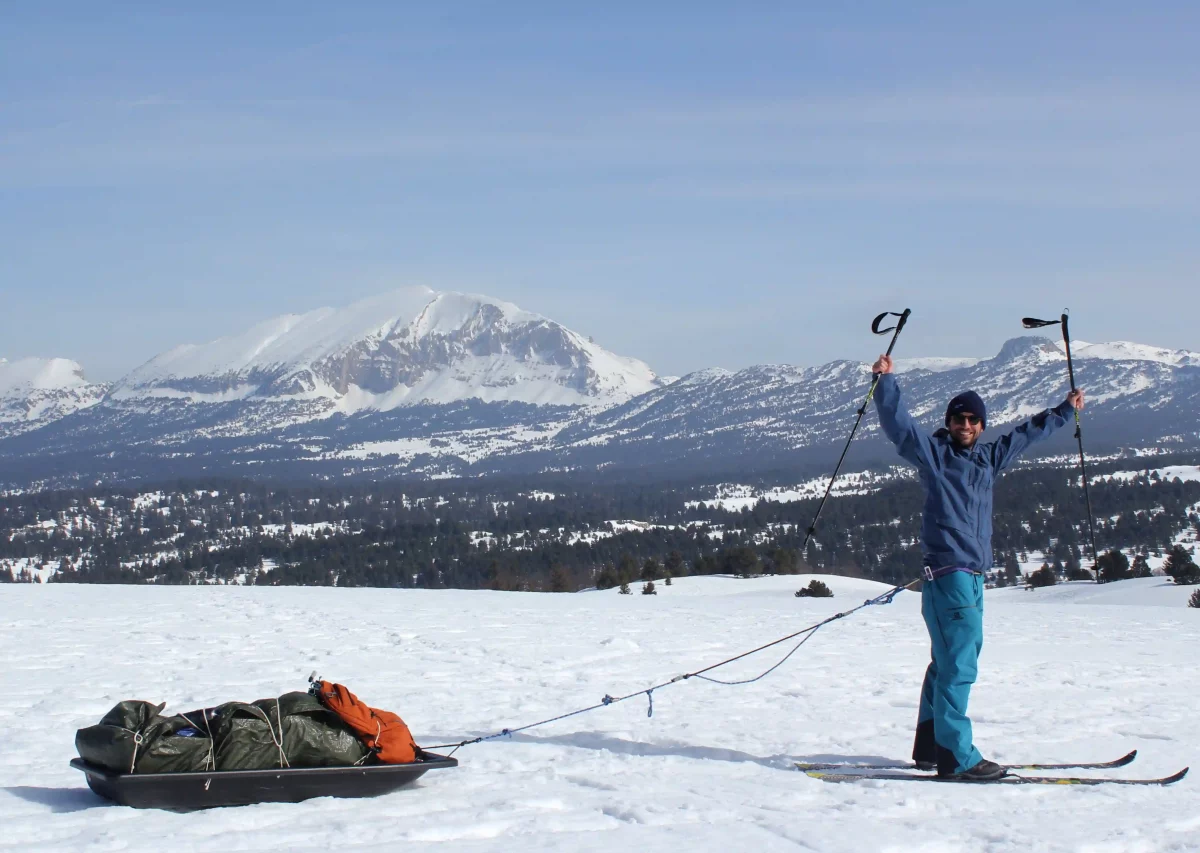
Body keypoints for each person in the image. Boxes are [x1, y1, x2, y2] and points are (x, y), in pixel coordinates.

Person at [871, 353, 1084, 780]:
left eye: (972, 420)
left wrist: (1065, 411)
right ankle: (957, 758)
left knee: (946, 662)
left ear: (981, 425)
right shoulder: (934, 457)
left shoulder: (988, 460)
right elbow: (900, 428)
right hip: (950, 577)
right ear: (948, 424)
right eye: (958, 419)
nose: (965, 425)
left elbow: (1026, 436)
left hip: (966, 579)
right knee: (959, 665)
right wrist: (885, 383)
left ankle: (931, 747)